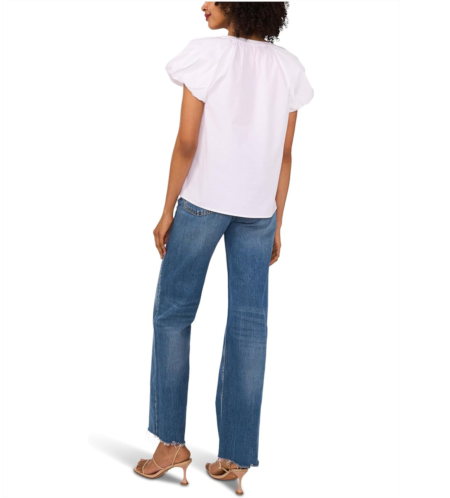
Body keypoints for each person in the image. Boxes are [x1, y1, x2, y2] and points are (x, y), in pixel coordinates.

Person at [134, 2, 313, 494]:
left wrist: (166, 210)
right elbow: (285, 155)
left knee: (173, 315)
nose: (204, 5)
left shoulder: (206, 55)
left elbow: (186, 143)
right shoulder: (288, 67)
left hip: (202, 206)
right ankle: (235, 457)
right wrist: (278, 221)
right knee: (250, 328)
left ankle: (170, 445)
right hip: (259, 212)